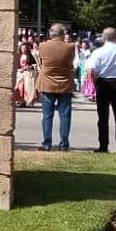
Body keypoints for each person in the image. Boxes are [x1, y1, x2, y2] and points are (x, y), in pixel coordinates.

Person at [84, 28, 116, 153]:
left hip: (104, 82)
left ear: (103, 38)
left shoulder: (98, 52)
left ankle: (103, 145)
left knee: (103, 117)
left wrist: (95, 84)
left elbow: (92, 70)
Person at [36, 23, 77, 152]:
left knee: (47, 115)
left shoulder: (43, 46)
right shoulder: (70, 47)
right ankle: (64, 143)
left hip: (47, 82)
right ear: (63, 34)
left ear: (50, 33)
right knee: (65, 115)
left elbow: (42, 60)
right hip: (65, 83)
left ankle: (47, 143)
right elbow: (70, 63)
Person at [14, 43, 38, 107]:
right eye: (22, 48)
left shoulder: (30, 56)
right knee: (19, 87)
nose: (23, 49)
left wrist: (29, 67)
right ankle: (20, 101)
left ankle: (27, 101)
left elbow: (35, 65)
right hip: (20, 74)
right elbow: (15, 65)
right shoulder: (18, 56)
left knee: (27, 88)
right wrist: (19, 69)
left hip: (28, 75)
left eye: (25, 48)